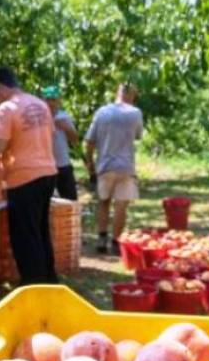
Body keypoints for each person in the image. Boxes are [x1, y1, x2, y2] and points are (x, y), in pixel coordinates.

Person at [0, 67, 58, 285]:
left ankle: (33, 285)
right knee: (39, 231)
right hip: (47, 172)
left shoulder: (6, 108)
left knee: (25, 237)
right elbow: (49, 134)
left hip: (23, 177)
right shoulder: (40, 104)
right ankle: (49, 280)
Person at [84, 83, 143, 255]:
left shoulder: (102, 112)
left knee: (103, 202)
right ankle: (116, 241)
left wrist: (90, 165)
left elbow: (89, 141)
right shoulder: (135, 113)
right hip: (126, 166)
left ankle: (102, 239)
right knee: (121, 205)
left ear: (117, 93)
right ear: (132, 95)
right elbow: (138, 135)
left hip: (105, 164)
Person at [42, 85, 79, 200]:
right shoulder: (39, 118)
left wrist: (67, 128)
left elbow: (75, 140)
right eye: (47, 99)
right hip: (45, 166)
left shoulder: (64, 116)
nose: (50, 103)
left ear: (59, 101)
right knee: (45, 201)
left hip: (63, 164)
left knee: (70, 199)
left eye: (53, 99)